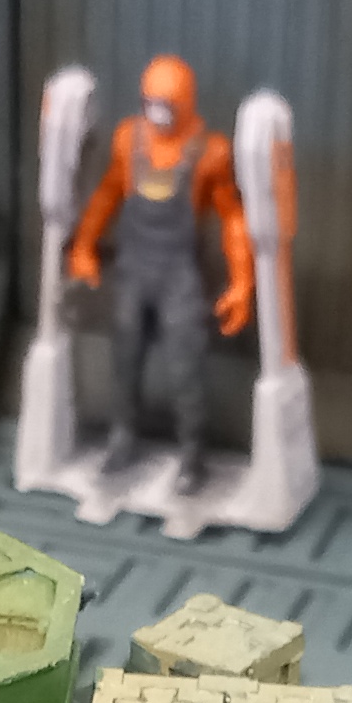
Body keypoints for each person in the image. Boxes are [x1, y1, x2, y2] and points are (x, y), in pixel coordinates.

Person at [64, 56, 253, 492]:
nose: (158, 113)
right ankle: (122, 438)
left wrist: (242, 282)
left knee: (186, 366)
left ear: (186, 102)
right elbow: (108, 194)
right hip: (133, 270)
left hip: (178, 277)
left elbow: (233, 219)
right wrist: (84, 246)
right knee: (125, 358)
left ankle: (193, 455)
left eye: (167, 104)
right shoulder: (129, 139)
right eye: (151, 102)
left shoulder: (210, 153)